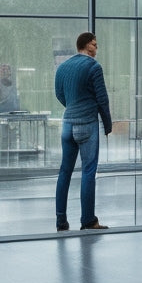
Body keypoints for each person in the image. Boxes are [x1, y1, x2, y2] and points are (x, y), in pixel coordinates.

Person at [54, 32, 112, 231]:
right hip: (86, 123)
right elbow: (102, 99)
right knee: (88, 171)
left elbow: (59, 94)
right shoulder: (93, 67)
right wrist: (107, 123)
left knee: (65, 171)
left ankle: (61, 220)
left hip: (67, 124)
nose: (96, 48)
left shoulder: (63, 67)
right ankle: (88, 220)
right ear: (87, 46)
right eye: (94, 45)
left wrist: (71, 107)